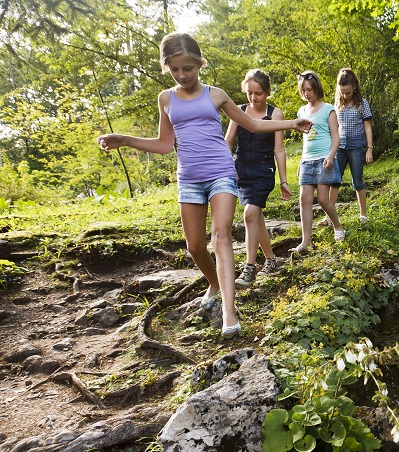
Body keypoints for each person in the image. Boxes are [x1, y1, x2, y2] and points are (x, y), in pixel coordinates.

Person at [97, 33, 310, 337]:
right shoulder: (166, 99)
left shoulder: (216, 95)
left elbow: (252, 124)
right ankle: (213, 282)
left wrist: (291, 124)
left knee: (220, 237)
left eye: (188, 68)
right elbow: (163, 144)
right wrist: (124, 139)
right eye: (175, 70)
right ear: (167, 68)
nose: (183, 75)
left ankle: (228, 311)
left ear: (200, 64)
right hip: (189, 179)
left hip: (222, 173)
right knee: (195, 246)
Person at [225, 69, 290, 287]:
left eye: (258, 93)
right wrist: (228, 167)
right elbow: (228, 142)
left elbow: (279, 149)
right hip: (241, 169)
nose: (253, 98)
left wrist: (284, 181)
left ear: (267, 92)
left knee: (250, 213)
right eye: (249, 93)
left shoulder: (276, 114)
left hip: (264, 170)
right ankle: (271, 260)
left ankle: (249, 268)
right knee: (256, 216)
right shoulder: (239, 110)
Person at [291, 70, 345, 253]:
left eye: (310, 89)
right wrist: (300, 162)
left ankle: (337, 226)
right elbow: (305, 140)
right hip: (307, 161)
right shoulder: (301, 111)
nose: (307, 93)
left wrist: (331, 156)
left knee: (323, 199)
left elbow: (336, 137)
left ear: (317, 89)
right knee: (304, 199)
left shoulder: (328, 109)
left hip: (324, 159)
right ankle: (306, 241)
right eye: (304, 90)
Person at [320, 68, 373, 226]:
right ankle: (329, 217)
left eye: (348, 92)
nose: (345, 95)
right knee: (335, 181)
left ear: (354, 87)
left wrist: (369, 148)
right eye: (342, 92)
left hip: (356, 147)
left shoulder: (362, 103)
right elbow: (333, 126)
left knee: (357, 181)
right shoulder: (337, 103)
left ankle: (363, 215)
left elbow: (368, 127)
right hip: (340, 147)